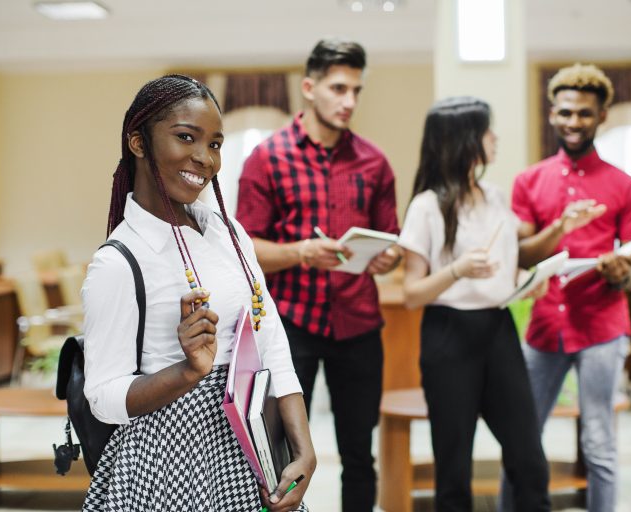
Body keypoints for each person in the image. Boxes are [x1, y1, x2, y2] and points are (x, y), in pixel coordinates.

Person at [81, 74, 316, 512]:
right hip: (167, 460)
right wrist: (187, 373)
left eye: (214, 144)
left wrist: (303, 448)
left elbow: (271, 342)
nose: (204, 158)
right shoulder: (118, 262)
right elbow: (103, 398)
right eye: (186, 137)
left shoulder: (228, 233)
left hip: (247, 447)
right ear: (138, 142)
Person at [235, 38, 401, 512]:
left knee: (358, 454)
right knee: (276, 452)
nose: (348, 101)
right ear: (309, 87)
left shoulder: (375, 161)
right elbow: (245, 252)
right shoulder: (268, 158)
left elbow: (391, 239)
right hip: (290, 327)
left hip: (360, 327)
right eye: (338, 88)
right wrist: (302, 252)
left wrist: (387, 258)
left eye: (356, 91)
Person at [499, 64, 631, 512]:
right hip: (544, 327)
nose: (573, 122)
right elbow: (521, 253)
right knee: (521, 440)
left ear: (601, 115)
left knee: (599, 442)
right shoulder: (529, 181)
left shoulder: (628, 187)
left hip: (603, 327)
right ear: (552, 113)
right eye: (565, 112)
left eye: (584, 113)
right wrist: (559, 228)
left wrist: (620, 269)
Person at [398, 96, 551, 512]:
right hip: (448, 338)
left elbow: (505, 270)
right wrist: (457, 270)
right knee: (453, 470)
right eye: (487, 130)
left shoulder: (496, 197)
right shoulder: (427, 206)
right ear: (465, 139)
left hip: (499, 332)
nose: (495, 138)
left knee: (529, 459)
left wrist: (524, 283)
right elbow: (412, 294)